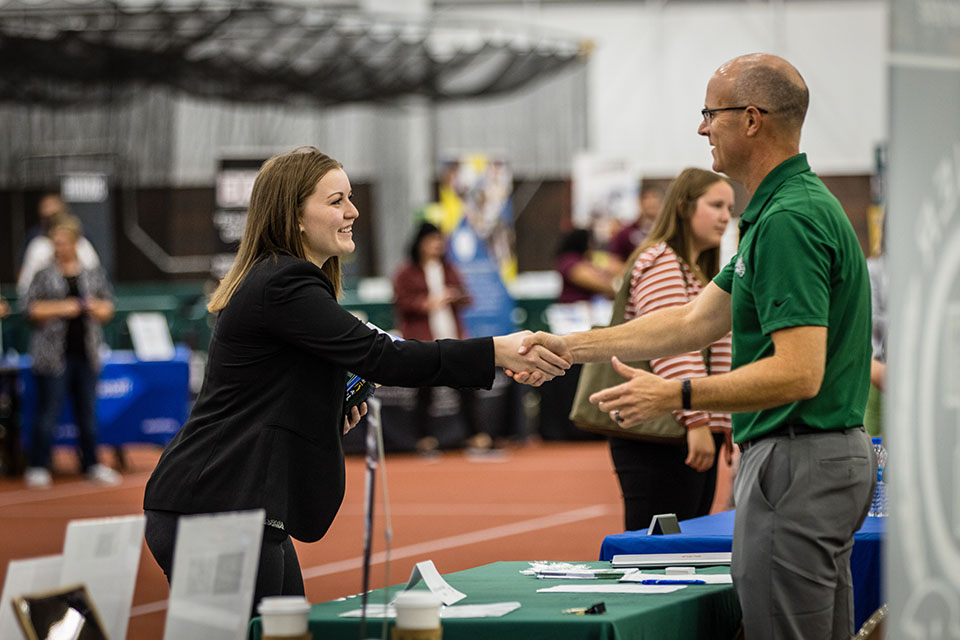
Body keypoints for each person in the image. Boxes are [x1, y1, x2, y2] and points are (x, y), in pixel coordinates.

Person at [513, 53, 874, 639]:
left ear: (752, 119)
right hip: (807, 457)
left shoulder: (789, 219)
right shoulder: (783, 211)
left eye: (710, 112)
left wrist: (677, 392)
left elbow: (800, 373)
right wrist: (569, 346)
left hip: (797, 457)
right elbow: (688, 322)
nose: (701, 127)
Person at [141, 147, 568, 614]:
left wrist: (325, 412)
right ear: (295, 216)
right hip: (214, 504)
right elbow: (382, 357)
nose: (353, 211)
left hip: (241, 505)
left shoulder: (285, 282)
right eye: (336, 200)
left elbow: (274, 394)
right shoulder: (284, 284)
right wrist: (495, 351)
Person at [609, 168, 734, 532]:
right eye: (715, 205)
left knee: (682, 544)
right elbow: (669, 344)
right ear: (683, 207)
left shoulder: (695, 269)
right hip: (663, 431)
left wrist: (719, 420)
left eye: (729, 206)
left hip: (680, 423)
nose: (726, 216)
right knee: (658, 550)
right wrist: (698, 420)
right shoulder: (662, 261)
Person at [22, 214, 120, 489]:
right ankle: (38, 465)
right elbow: (30, 309)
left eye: (63, 242)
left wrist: (92, 307)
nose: (58, 247)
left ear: (75, 243)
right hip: (52, 358)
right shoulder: (43, 275)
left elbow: (108, 308)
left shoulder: (93, 274)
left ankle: (91, 464)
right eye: (55, 242)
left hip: (86, 355)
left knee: (87, 414)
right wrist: (65, 307)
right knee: (47, 413)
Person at [392, 221, 494, 454]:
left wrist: (454, 296)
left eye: (440, 240)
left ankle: (475, 435)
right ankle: (423, 438)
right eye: (432, 240)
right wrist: (426, 304)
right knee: (424, 391)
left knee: (468, 386)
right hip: (423, 339)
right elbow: (401, 302)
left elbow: (468, 298)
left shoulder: (449, 269)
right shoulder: (406, 272)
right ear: (419, 243)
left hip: (452, 337)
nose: (437, 245)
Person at [18, 193, 101, 298]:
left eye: (57, 214)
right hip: (48, 304)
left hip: (85, 306)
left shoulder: (83, 244)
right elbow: (25, 286)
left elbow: (98, 281)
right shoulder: (38, 246)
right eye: (48, 217)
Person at [555, 228, 618, 303]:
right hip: (572, 309)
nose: (592, 245)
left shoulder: (586, 259)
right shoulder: (569, 260)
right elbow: (595, 283)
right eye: (591, 241)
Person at [608, 185, 665, 262]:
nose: (651, 201)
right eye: (646, 197)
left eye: (654, 197)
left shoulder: (668, 231)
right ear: (639, 202)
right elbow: (614, 261)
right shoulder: (625, 234)